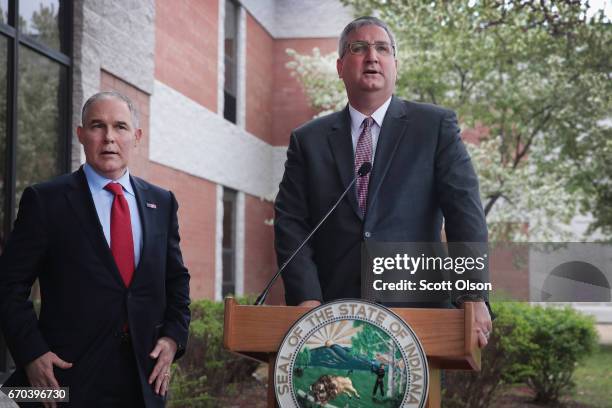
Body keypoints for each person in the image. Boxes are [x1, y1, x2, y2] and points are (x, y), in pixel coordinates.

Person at [274, 16, 492, 347]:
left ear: (395, 64)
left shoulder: (434, 127)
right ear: (340, 66)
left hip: (419, 314)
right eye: (359, 48)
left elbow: (465, 213)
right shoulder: (308, 140)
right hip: (331, 318)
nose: (372, 56)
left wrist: (473, 293)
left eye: (382, 48)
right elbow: (291, 223)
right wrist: (307, 299)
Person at [0, 91, 191, 407]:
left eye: (120, 127)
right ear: (80, 134)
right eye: (97, 126)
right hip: (63, 381)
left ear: (137, 136)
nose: (109, 138)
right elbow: (9, 285)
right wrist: (32, 353)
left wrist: (173, 339)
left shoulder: (162, 202)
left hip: (144, 380)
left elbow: (176, 282)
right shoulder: (45, 201)